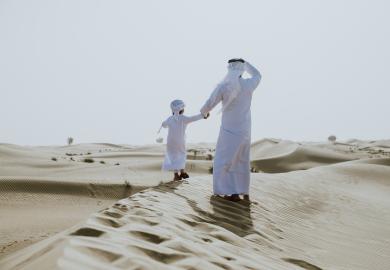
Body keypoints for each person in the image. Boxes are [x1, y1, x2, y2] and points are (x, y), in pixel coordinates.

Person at [200, 58, 261, 202]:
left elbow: (209, 103)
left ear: (229, 69)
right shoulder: (248, 84)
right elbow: (258, 75)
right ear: (242, 69)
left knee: (224, 160)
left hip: (228, 131)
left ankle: (227, 191)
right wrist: (246, 64)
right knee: (241, 160)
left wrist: (204, 113)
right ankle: (240, 191)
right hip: (244, 131)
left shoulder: (224, 86)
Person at [161, 100, 209, 181]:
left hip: (170, 141)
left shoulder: (170, 118)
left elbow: (164, 125)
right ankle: (182, 172)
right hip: (180, 141)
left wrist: (163, 123)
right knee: (181, 155)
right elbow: (194, 118)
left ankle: (176, 174)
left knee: (173, 156)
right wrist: (203, 115)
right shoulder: (184, 118)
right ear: (182, 109)